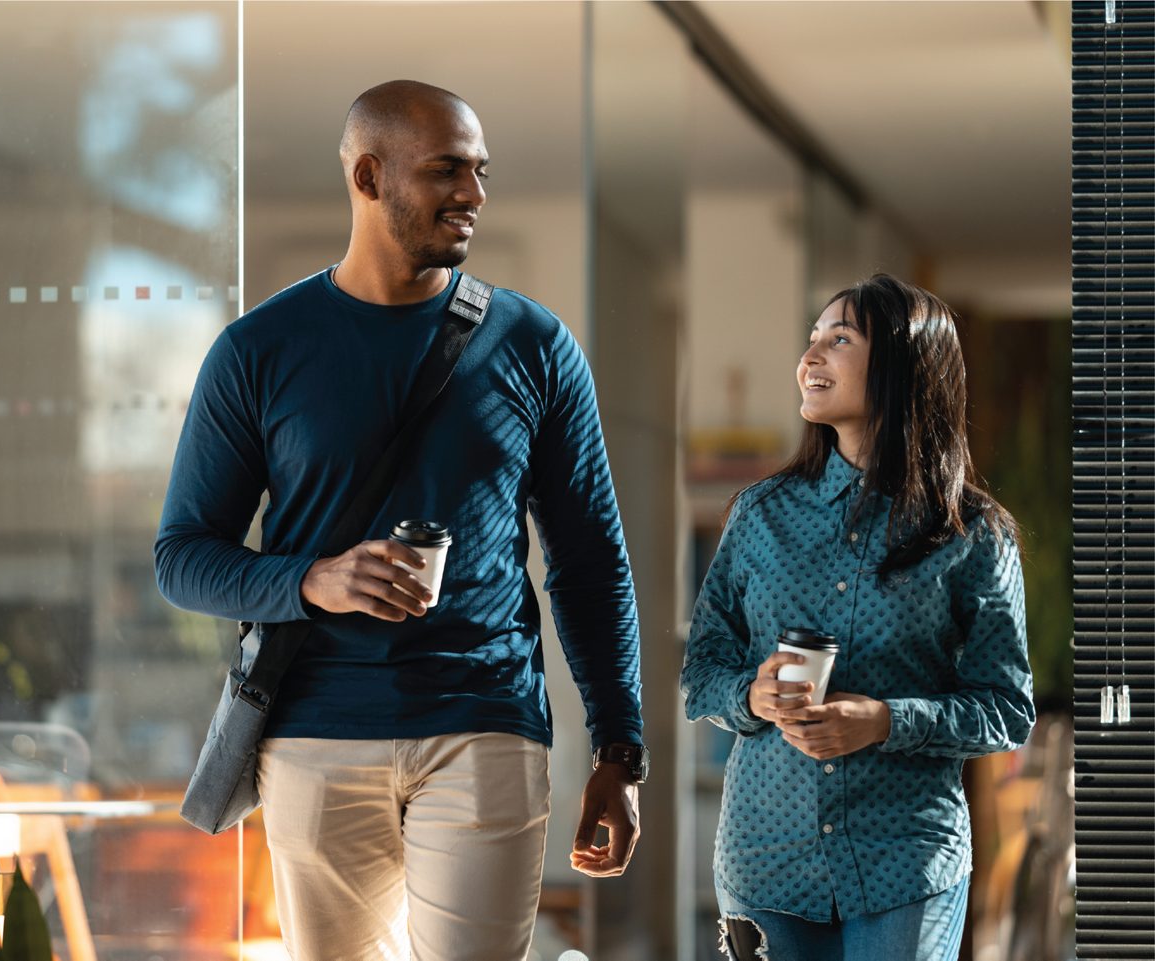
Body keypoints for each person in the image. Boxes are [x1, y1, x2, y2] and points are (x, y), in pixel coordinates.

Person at [154, 80, 646, 961]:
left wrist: (620, 744)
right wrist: (310, 578)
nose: (474, 194)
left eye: (481, 171)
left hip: (485, 720)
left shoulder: (533, 345)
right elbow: (183, 556)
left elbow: (589, 560)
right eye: (447, 170)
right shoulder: (259, 352)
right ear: (370, 176)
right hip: (312, 730)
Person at [680, 274, 1035, 961]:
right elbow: (701, 670)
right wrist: (750, 694)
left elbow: (1006, 708)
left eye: (839, 338)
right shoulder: (760, 515)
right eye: (812, 336)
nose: (810, 356)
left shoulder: (973, 533)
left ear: (905, 366)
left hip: (905, 864)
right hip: (765, 864)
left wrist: (885, 720)